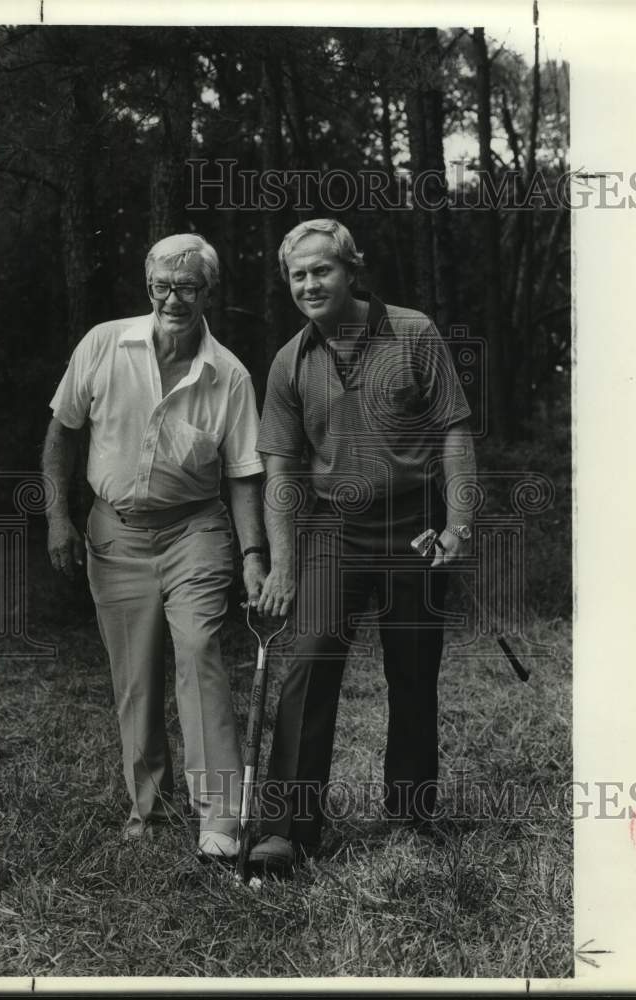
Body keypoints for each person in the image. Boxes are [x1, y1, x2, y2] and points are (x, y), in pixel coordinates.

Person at [251, 218, 477, 871]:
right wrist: (283, 567)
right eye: (297, 275)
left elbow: (455, 435)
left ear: (351, 269)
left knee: (412, 670)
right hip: (332, 527)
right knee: (309, 661)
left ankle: (409, 813)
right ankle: (287, 831)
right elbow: (279, 473)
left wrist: (458, 526)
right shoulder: (289, 360)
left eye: (320, 270)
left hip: (413, 523)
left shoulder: (413, 333)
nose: (309, 284)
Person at [42, 233, 266, 859]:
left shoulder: (231, 376)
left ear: (208, 292)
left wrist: (252, 557)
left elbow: (245, 474)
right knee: (134, 673)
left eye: (187, 286)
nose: (173, 298)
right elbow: (61, 433)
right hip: (114, 531)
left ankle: (219, 819)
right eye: (162, 286)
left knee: (199, 651)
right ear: (149, 287)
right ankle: (151, 809)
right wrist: (59, 518)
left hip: (196, 530)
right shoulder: (104, 344)